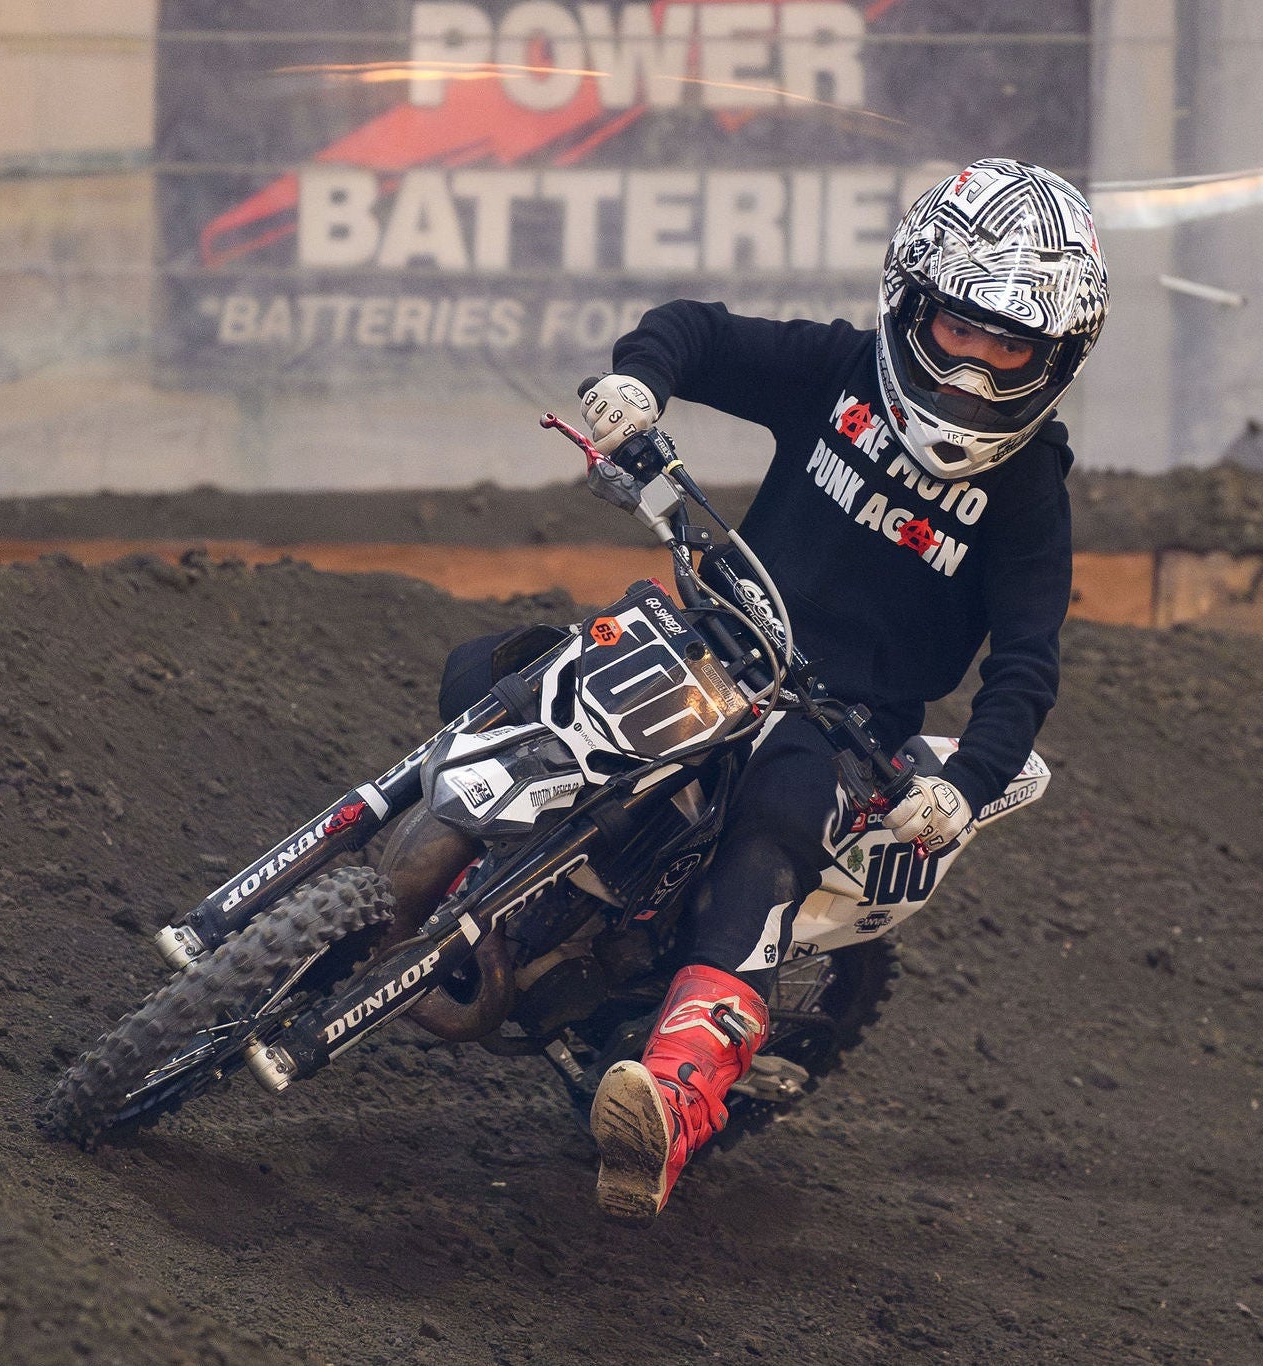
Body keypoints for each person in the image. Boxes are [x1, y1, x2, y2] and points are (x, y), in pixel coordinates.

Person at [449, 159, 1109, 1224]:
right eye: (959, 328)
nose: (979, 370)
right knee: (495, 669)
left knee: (772, 826)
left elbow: (1026, 663)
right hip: (718, 629)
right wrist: (638, 381)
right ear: (910, 303)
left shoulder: (1027, 493)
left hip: (842, 723)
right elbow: (696, 329)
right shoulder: (841, 371)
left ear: (1056, 359)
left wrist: (967, 783)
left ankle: (672, 1095)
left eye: (1012, 346)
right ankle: (471, 879)